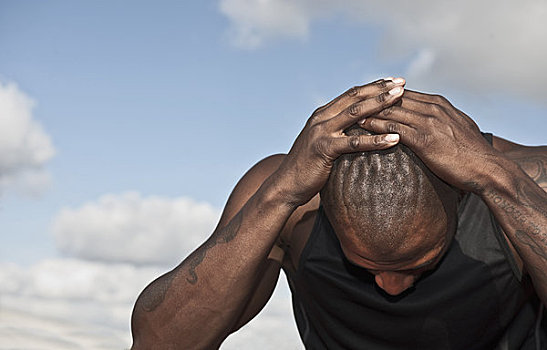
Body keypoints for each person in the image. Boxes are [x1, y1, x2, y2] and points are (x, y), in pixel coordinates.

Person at [130, 78, 547, 349]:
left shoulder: (523, 185)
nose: (390, 286)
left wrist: (497, 180)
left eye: (419, 265)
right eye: (364, 267)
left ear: (460, 195)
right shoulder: (290, 199)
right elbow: (158, 343)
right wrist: (280, 195)